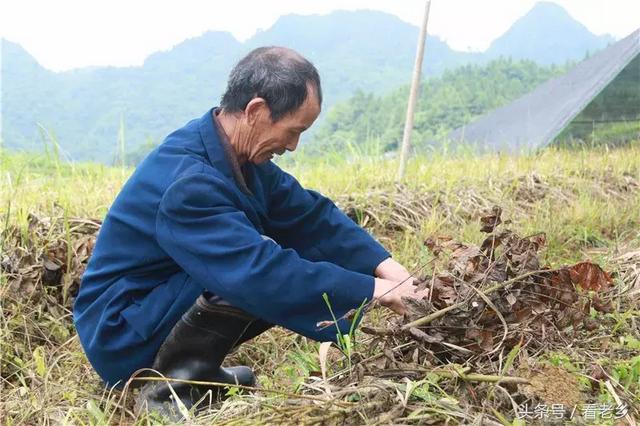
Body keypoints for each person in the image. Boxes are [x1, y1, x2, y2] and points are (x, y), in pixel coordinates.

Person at [73, 46, 426, 417]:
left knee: (289, 247)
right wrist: (375, 292)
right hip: (123, 333)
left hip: (153, 305)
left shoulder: (235, 151)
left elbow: (310, 217)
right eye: (293, 131)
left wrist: (391, 271)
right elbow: (257, 271)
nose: (293, 146)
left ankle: (197, 373)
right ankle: (165, 389)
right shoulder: (188, 182)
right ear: (256, 111)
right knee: (258, 266)